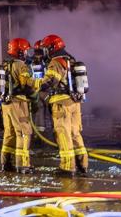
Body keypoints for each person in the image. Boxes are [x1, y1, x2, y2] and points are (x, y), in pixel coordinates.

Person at [37, 34, 89, 176]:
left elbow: (50, 82)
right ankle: (82, 165)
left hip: (61, 104)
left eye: (46, 48)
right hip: (75, 102)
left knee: (63, 134)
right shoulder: (70, 59)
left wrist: (35, 84)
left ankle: (67, 167)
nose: (45, 51)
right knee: (75, 134)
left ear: (52, 48)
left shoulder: (56, 62)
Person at [0, 37, 39, 174]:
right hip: (18, 102)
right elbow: (27, 84)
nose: (27, 54)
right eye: (25, 51)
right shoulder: (20, 65)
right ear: (20, 52)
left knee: (9, 133)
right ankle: (22, 165)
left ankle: (6, 163)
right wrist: (35, 98)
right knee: (24, 132)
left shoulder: (5, 64)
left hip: (6, 103)